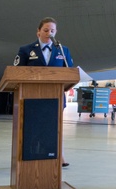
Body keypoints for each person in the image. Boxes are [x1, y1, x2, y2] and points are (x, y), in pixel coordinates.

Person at [14, 17, 74, 166]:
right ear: (38, 32)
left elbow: (70, 71)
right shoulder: (26, 50)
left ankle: (60, 156)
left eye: (52, 31)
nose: (49, 33)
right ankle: (31, 155)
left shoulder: (62, 50)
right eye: (46, 30)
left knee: (55, 126)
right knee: (33, 127)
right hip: (32, 96)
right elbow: (16, 72)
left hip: (55, 96)